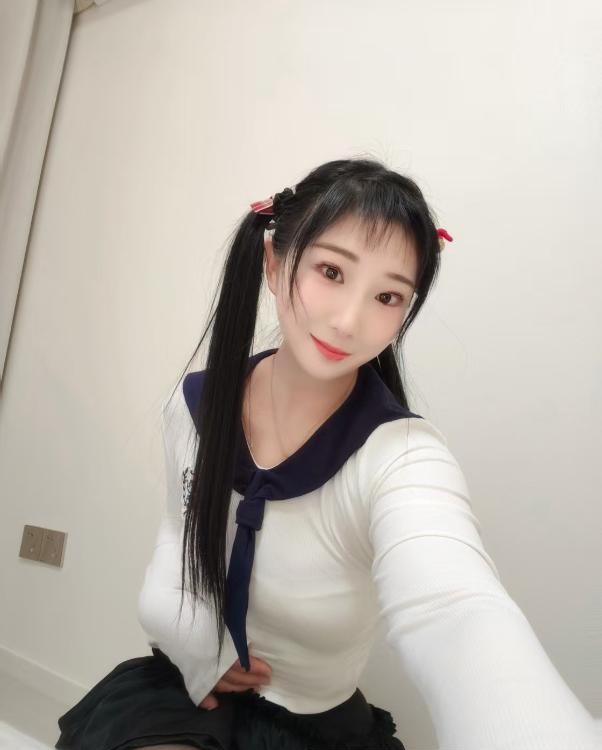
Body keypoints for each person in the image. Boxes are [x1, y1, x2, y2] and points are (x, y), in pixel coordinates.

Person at [55, 157, 600, 749]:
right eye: (331, 271)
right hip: (183, 691)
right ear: (273, 262)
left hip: (312, 728)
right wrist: (191, 645)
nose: (347, 321)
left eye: (387, 296)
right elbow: (174, 539)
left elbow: (456, 608)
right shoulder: (193, 408)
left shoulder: (403, 458)